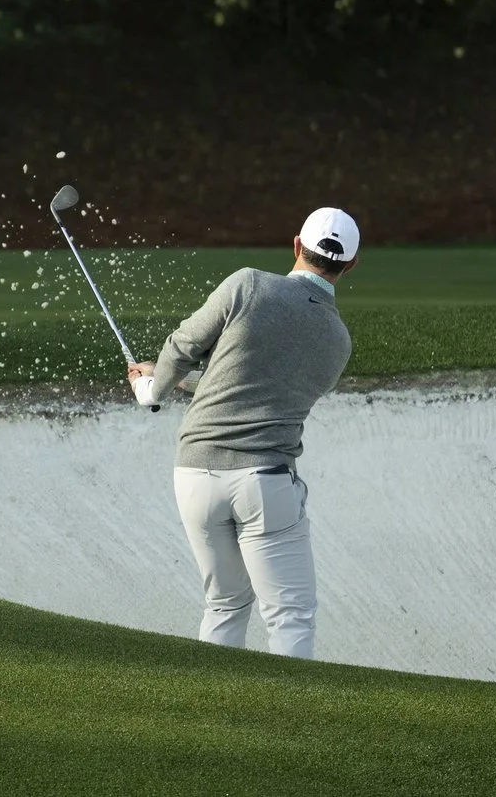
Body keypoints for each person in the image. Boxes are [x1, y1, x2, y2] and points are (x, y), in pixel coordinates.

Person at [126, 206, 358, 660]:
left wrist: (153, 387)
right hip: (263, 486)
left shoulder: (248, 284)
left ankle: (213, 720)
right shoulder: (337, 340)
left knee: (224, 602)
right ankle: (287, 723)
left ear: (296, 245)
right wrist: (170, 384)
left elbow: (184, 346)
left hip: (194, 476)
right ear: (350, 265)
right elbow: (265, 389)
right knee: (290, 615)